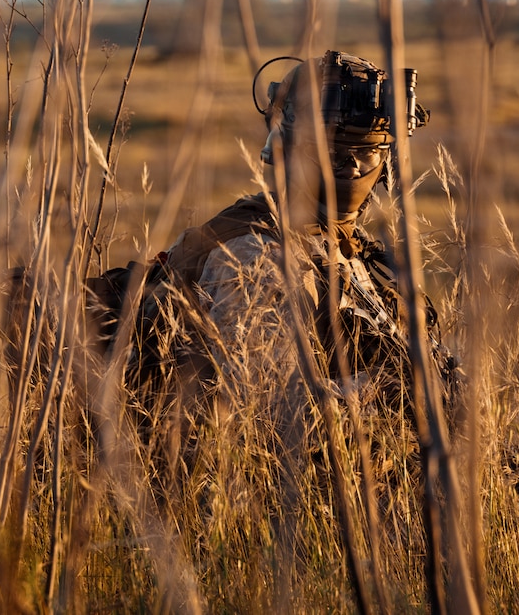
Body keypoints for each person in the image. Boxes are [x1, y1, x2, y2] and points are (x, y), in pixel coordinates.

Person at [90, 49, 457, 478]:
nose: (356, 166)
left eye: (367, 151)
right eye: (343, 152)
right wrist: (387, 389)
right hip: (227, 499)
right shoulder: (253, 254)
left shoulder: (346, 247)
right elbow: (269, 414)